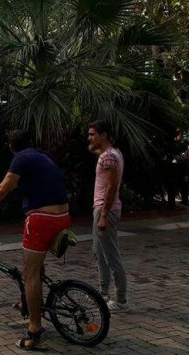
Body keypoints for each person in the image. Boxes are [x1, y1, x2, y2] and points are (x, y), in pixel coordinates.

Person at [0, 130, 69, 351]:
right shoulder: (39, 155)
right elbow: (2, 186)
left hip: (42, 219)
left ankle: (35, 329)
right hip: (61, 215)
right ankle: (34, 304)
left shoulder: (20, 158)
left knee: (30, 275)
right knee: (37, 266)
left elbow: (4, 190)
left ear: (10, 145)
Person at [87, 120, 129, 312]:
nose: (89, 138)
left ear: (104, 135)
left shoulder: (109, 157)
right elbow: (95, 151)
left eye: (93, 134)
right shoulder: (109, 155)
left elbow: (111, 188)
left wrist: (103, 215)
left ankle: (121, 300)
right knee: (99, 253)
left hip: (106, 209)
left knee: (111, 257)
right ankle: (102, 293)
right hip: (102, 209)